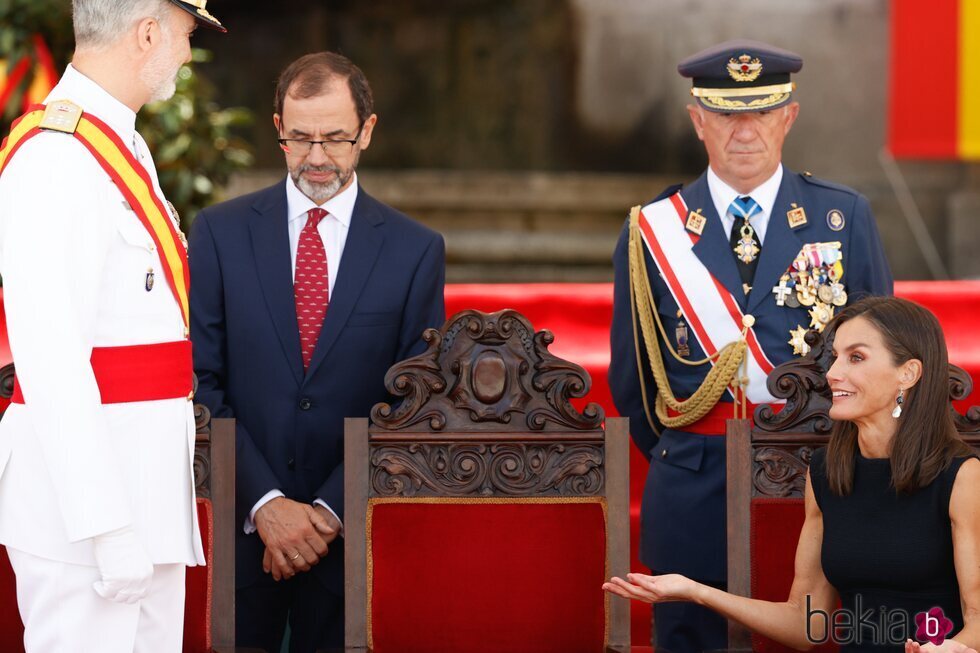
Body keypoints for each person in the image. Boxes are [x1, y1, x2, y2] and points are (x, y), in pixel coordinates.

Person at [608, 39, 894, 652]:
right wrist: (696, 445)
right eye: (728, 114)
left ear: (788, 116)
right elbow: (634, 384)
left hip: (820, 475)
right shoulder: (653, 231)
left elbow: (883, 357)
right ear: (698, 121)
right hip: (691, 483)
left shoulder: (842, 217)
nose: (745, 131)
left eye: (761, 112)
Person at [189, 51, 447, 652]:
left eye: (335, 139)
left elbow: (413, 400)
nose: (316, 158)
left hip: (353, 539)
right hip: (239, 531)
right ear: (276, 126)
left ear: (368, 132)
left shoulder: (415, 251)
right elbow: (200, 378)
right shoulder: (220, 234)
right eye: (299, 138)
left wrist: (328, 512)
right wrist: (267, 504)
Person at [0, 1, 225, 651]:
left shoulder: (116, 139)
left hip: (142, 496)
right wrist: (105, 524)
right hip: (86, 522)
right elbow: (51, 358)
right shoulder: (57, 156)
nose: (186, 53)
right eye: (184, 36)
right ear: (147, 32)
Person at [605, 296, 980, 653]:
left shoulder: (962, 477)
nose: (833, 374)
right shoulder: (827, 473)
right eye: (835, 358)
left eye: (856, 358)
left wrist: (954, 646)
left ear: (908, 373)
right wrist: (694, 590)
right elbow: (806, 626)